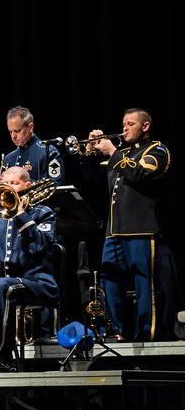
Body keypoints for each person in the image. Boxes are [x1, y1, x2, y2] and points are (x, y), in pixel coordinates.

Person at [82, 108, 178, 341]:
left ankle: (147, 333)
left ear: (145, 126)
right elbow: (91, 178)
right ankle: (117, 330)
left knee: (143, 280)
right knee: (108, 280)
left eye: (131, 124)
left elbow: (140, 175)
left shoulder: (157, 150)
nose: (124, 128)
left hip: (142, 228)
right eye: (123, 124)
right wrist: (88, 153)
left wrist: (112, 151)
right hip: (114, 230)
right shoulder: (121, 154)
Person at [0, 166, 58, 360]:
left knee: (2, 285)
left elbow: (39, 247)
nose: (8, 188)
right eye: (5, 183)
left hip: (39, 281)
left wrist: (21, 215)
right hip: (8, 282)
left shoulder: (43, 213)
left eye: (14, 183)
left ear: (28, 186)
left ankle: (1, 351)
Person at [1, 105, 65, 186]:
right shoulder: (8, 159)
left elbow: (55, 185)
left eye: (17, 131)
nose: (13, 136)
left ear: (30, 127)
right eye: (10, 132)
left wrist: (22, 182)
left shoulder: (49, 153)